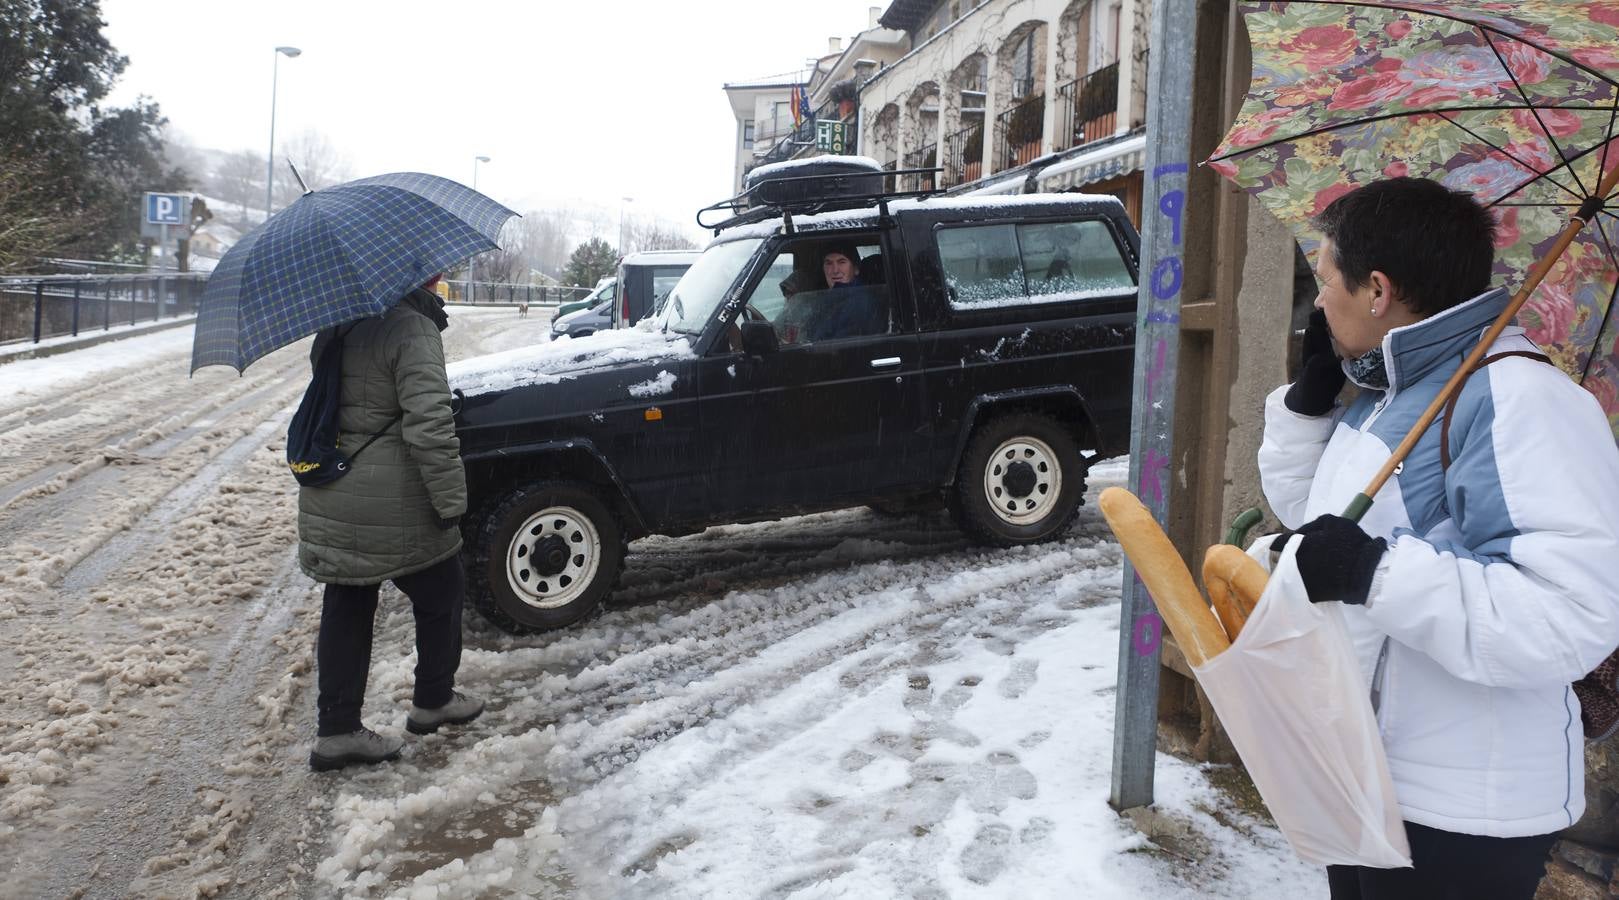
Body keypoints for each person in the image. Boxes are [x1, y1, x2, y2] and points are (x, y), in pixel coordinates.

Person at [1258, 177, 1619, 898]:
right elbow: (1327, 524)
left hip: (1460, 811)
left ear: (1377, 290)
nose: (1318, 299)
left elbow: (1571, 616)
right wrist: (1306, 407)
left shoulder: (1521, 401)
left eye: (1324, 278)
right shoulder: (1399, 391)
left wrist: (1374, 575)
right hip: (1366, 769)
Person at [298, 273, 484, 772]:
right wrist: (451, 501)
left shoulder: (339, 323)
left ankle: (336, 730)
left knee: (348, 601)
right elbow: (430, 425)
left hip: (335, 485)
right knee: (442, 587)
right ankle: (434, 700)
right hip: (394, 496)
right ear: (422, 273)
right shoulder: (410, 328)